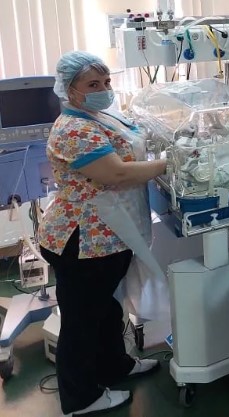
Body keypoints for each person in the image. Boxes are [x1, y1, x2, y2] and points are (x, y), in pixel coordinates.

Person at [38, 52, 163, 416]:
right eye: (93, 84)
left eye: (106, 82)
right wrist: (168, 164)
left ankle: (114, 366)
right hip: (81, 241)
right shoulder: (74, 130)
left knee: (107, 310)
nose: (103, 89)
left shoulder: (98, 117)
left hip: (106, 236)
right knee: (81, 322)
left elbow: (132, 140)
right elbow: (116, 173)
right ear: (69, 90)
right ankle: (81, 398)